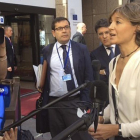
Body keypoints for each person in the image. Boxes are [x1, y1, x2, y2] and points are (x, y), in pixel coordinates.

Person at [88, 2, 140, 140]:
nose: (110, 27)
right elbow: (117, 103)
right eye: (111, 22)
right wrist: (101, 117)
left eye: (118, 22)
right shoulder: (113, 63)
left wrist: (116, 129)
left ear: (137, 27)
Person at [41, 17, 93, 140]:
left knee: (81, 137)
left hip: (75, 102)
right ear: (53, 32)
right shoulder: (47, 50)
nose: (64, 31)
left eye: (66, 27)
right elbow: (43, 73)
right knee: (58, 137)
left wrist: (84, 103)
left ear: (70, 29)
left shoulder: (81, 49)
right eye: (59, 28)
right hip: (54, 104)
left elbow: (89, 77)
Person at [90, 19, 120, 85]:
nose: (104, 36)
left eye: (107, 32)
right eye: (100, 34)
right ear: (97, 36)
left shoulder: (122, 48)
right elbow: (97, 77)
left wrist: (105, 72)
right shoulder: (94, 54)